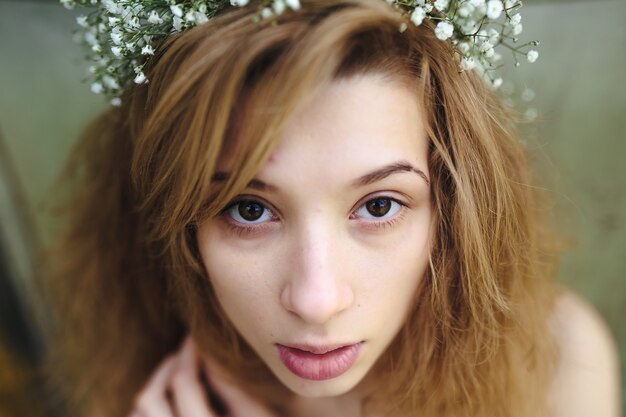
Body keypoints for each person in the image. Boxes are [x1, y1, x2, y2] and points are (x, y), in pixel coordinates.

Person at [48, 1, 620, 416]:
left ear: (454, 204)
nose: (316, 301)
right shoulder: (144, 352)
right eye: (247, 210)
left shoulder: (557, 362)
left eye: (377, 206)